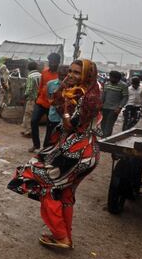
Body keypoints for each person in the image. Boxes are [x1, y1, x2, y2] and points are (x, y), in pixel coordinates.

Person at [8, 59, 102, 249]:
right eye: (71, 71)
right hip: (77, 150)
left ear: (88, 75)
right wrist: (64, 95)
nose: (72, 76)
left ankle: (60, 236)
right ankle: (64, 235)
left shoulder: (88, 97)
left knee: (45, 184)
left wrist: (66, 106)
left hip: (78, 152)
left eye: (77, 73)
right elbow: (56, 102)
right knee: (65, 193)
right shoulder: (76, 92)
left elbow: (71, 124)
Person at [30, 52, 61, 152]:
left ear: (58, 63)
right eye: (50, 61)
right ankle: (36, 145)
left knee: (50, 127)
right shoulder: (44, 72)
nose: (51, 64)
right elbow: (41, 86)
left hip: (52, 105)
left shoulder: (60, 76)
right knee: (33, 120)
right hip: (41, 101)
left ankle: (45, 147)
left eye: (54, 62)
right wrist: (37, 97)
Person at [43, 65, 69, 147]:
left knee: (62, 141)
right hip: (53, 117)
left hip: (66, 119)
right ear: (58, 74)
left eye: (66, 75)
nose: (63, 77)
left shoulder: (73, 87)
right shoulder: (50, 84)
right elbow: (49, 99)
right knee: (49, 138)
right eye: (61, 74)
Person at [100, 70, 128, 137]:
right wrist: (100, 105)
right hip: (105, 107)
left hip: (114, 109)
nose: (110, 78)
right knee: (103, 123)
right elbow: (103, 95)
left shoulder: (123, 86)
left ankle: (106, 139)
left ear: (117, 78)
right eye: (110, 77)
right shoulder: (107, 84)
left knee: (109, 124)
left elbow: (125, 97)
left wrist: (119, 107)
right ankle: (103, 137)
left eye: (112, 77)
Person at [21, 61, 42, 137]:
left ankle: (28, 131)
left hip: (31, 99)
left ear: (28, 68)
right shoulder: (40, 75)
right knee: (33, 115)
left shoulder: (30, 76)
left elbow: (29, 89)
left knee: (28, 114)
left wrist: (24, 97)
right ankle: (25, 129)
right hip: (39, 99)